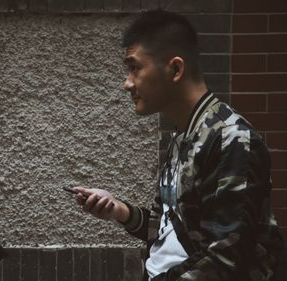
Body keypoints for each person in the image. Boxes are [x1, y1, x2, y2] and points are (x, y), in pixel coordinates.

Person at [72, 9, 286, 281]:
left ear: (175, 69)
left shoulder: (231, 139)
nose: (127, 84)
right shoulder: (183, 138)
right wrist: (119, 211)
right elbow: (169, 229)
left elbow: (224, 260)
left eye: (134, 67)